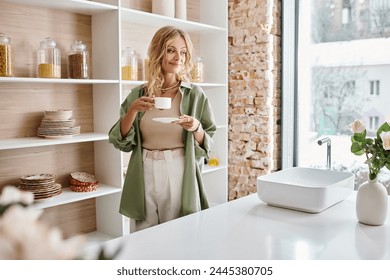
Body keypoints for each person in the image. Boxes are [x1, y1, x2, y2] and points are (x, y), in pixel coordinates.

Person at [108, 25, 217, 231]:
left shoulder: (195, 94)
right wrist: (132, 110)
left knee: (178, 232)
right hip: (143, 167)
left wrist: (196, 127)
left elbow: (209, 140)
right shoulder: (139, 93)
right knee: (143, 232)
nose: (179, 57)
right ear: (158, 52)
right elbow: (118, 139)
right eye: (171, 50)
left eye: (183, 52)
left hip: (178, 167)